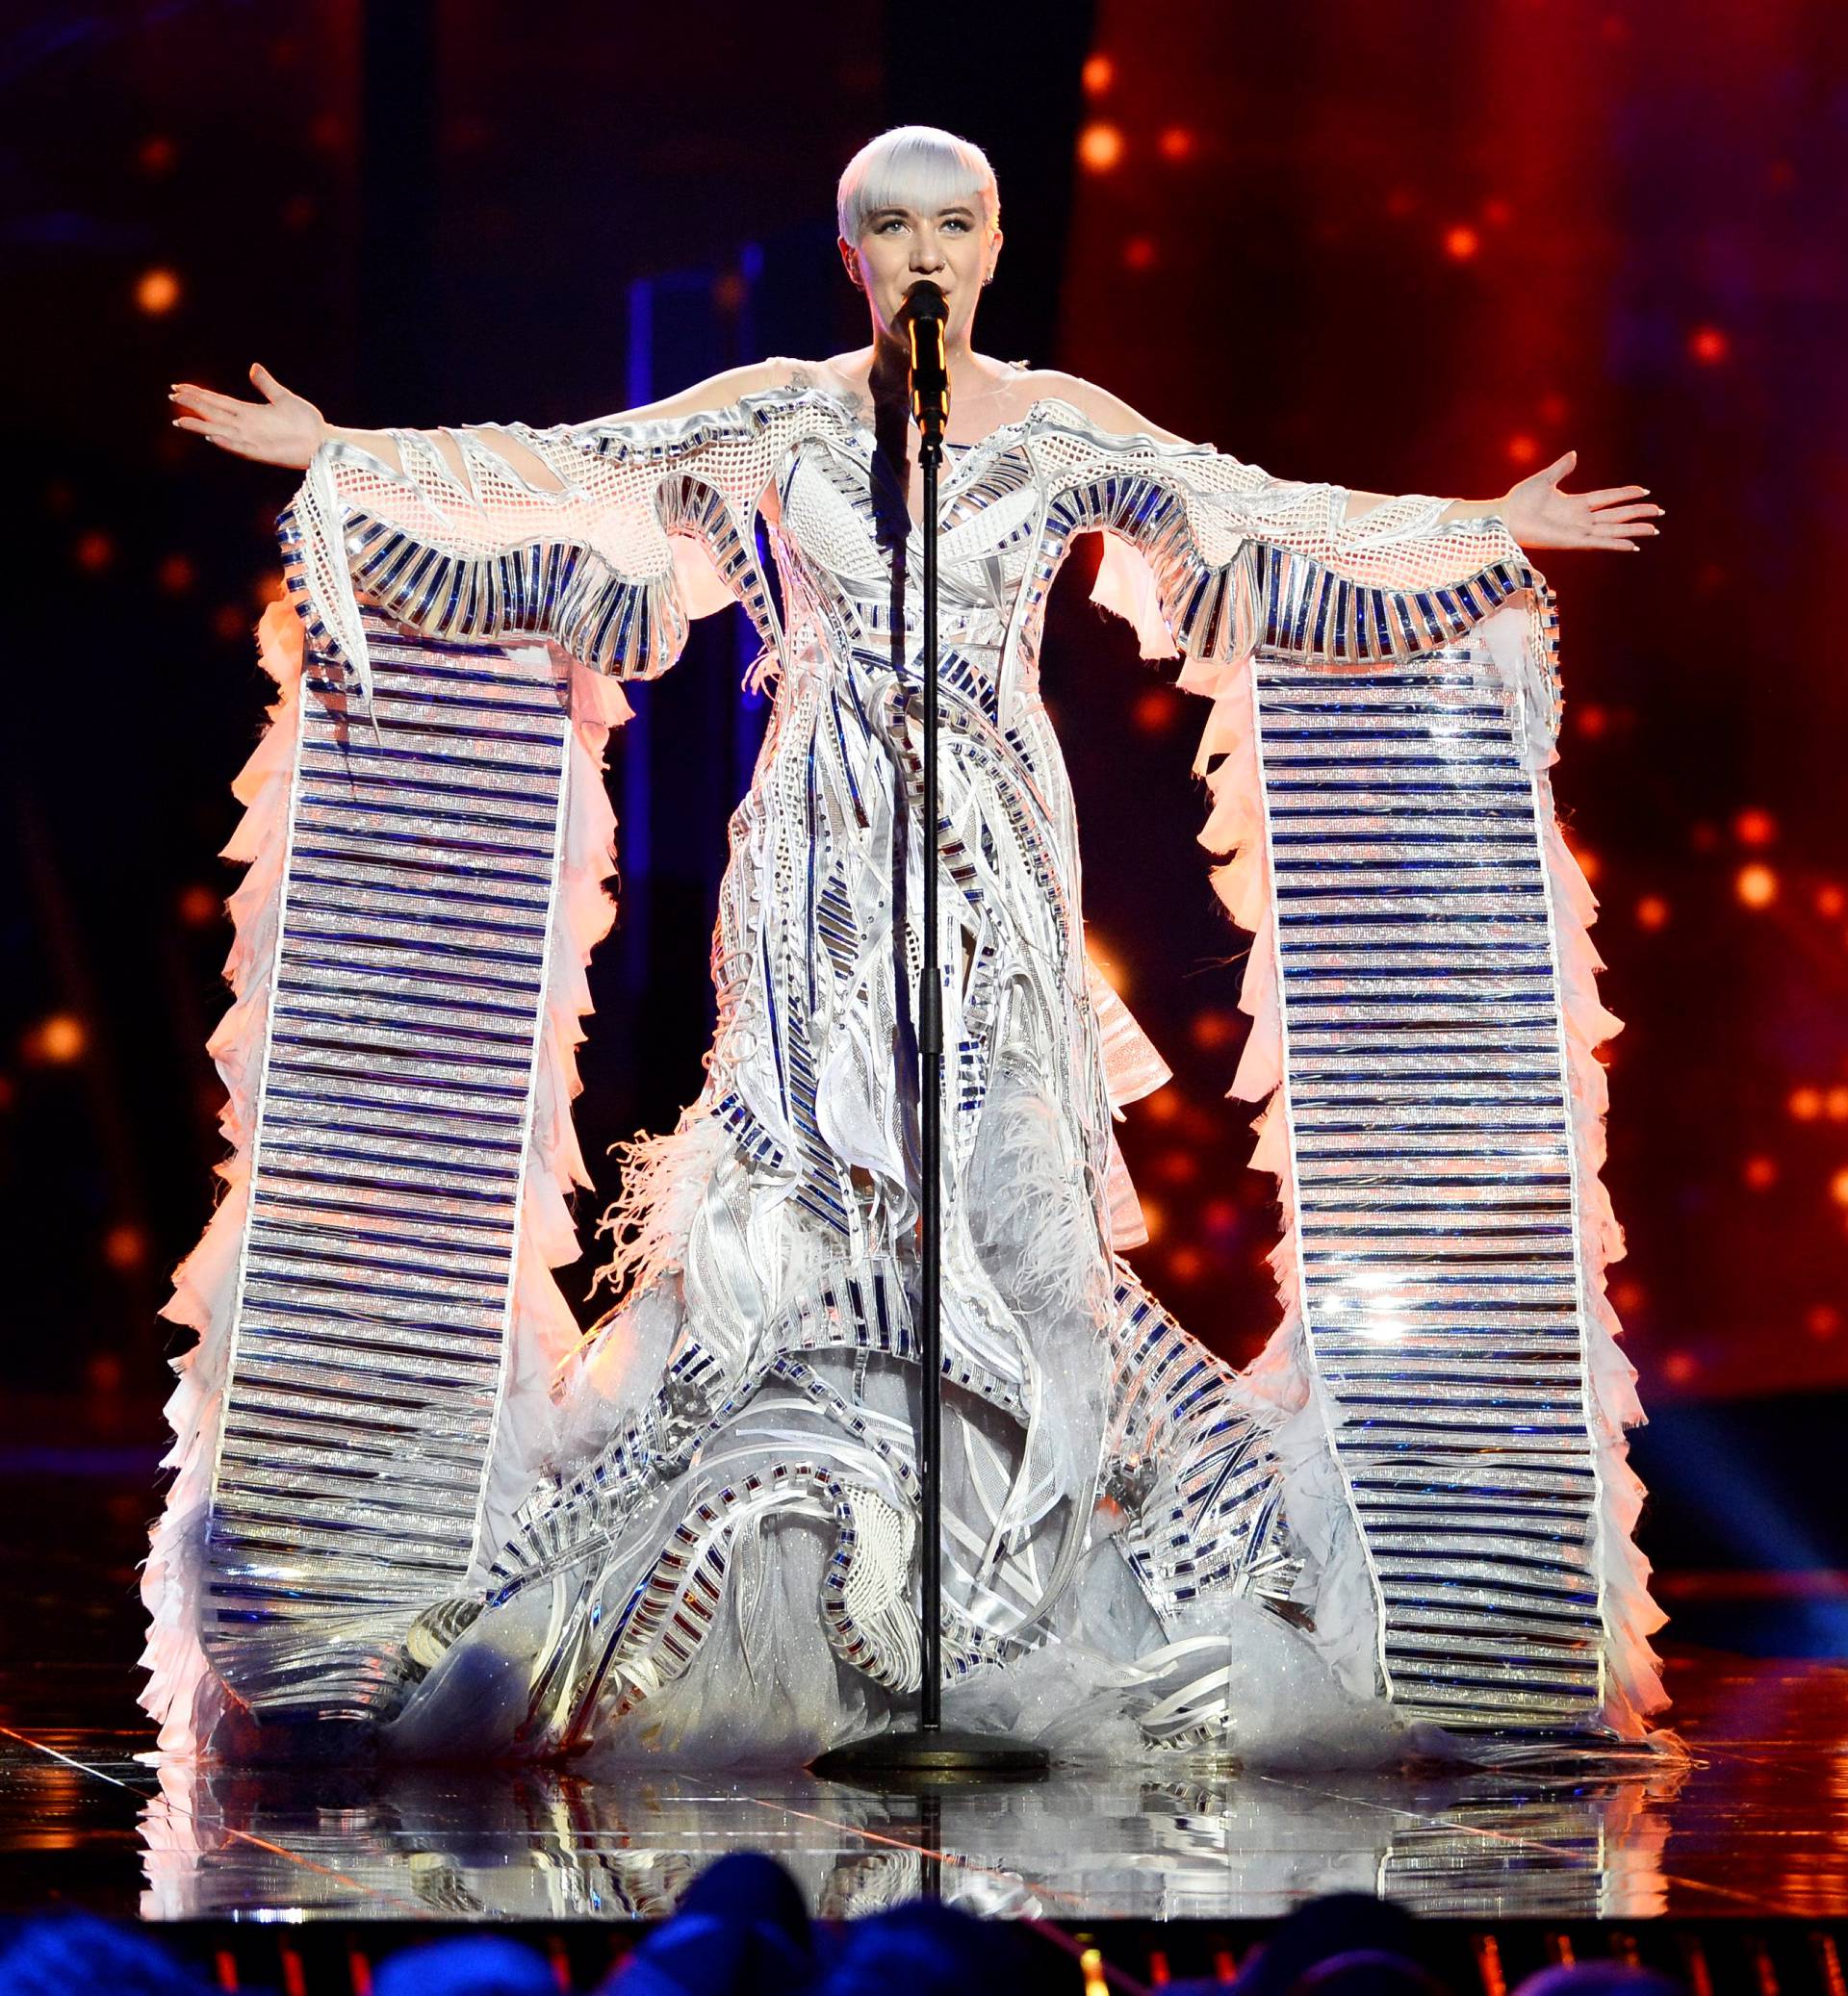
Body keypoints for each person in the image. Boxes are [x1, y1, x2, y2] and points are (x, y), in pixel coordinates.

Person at [153, 125, 1665, 1765]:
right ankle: (800, 1626)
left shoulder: (1064, 425)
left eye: (957, 221)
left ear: (999, 245)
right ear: (851, 257)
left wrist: (1468, 526)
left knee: (1010, 1205)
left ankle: (1006, 1609)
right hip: (817, 880)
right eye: (893, 226)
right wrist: (351, 453)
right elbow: (568, 461)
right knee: (815, 1205)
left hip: (998, 865)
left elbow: (1249, 510)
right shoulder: (783, 414)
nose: (926, 249)